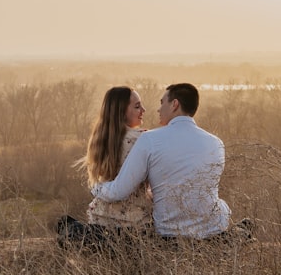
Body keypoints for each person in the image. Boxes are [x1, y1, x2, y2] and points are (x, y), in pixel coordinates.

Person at [90, 83, 232, 239]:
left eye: (162, 102)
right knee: (221, 204)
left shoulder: (149, 140)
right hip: (212, 227)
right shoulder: (216, 143)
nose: (158, 109)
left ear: (174, 104)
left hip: (169, 230)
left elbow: (118, 190)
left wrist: (96, 186)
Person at [57, 86, 152, 246]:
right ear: (121, 112)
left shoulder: (102, 139)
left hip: (99, 218)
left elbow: (98, 182)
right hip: (135, 222)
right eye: (137, 106)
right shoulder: (143, 139)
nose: (143, 109)